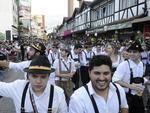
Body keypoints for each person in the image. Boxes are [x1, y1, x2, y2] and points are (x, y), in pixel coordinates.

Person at [0, 55, 67, 113]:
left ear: (48, 77)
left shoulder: (58, 93)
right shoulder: (18, 87)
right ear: (28, 76)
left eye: (43, 77)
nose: (38, 81)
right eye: (34, 76)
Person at [112, 41, 145, 113]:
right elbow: (115, 79)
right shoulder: (124, 65)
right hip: (127, 97)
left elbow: (140, 78)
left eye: (135, 52)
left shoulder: (141, 64)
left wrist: (144, 82)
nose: (132, 54)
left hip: (138, 96)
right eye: (130, 52)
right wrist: (130, 86)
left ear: (140, 53)